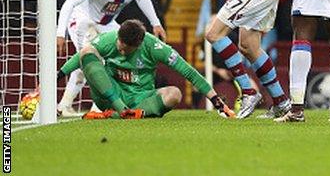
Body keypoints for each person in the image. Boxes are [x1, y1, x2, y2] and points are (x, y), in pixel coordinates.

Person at [56, 0, 166, 117]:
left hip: (107, 23)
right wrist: (60, 34)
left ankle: (66, 106)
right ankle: (91, 107)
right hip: (83, 19)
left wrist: (156, 23)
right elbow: (70, 3)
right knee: (92, 58)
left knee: (121, 56)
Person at [57, 20, 234, 119]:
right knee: (88, 51)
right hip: (111, 95)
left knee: (174, 94)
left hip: (141, 98)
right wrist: (57, 76)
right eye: (119, 43)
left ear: (139, 45)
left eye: (125, 48)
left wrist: (217, 102)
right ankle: (120, 110)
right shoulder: (109, 39)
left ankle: (121, 115)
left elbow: (188, 71)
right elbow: (81, 56)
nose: (120, 48)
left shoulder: (155, 47)